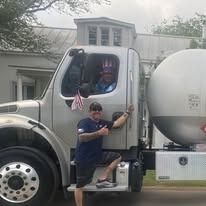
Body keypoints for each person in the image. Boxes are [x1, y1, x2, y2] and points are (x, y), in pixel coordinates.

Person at [74, 102, 134, 206]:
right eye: (94, 109)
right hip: (84, 159)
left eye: (99, 109)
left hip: (97, 156)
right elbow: (82, 137)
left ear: (101, 112)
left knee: (117, 157)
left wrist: (128, 112)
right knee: (80, 186)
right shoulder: (84, 122)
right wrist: (99, 133)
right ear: (90, 111)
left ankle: (102, 178)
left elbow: (117, 123)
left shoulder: (102, 122)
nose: (97, 111)